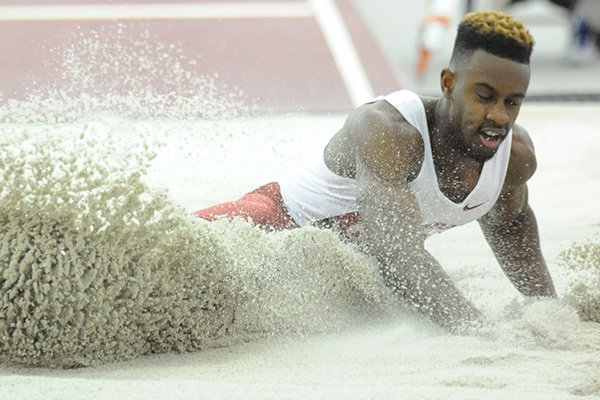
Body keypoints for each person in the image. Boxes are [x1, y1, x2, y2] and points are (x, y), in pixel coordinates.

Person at [196, 11, 557, 333]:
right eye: (484, 96)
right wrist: (479, 332)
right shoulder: (389, 130)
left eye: (513, 102)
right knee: (169, 254)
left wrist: (551, 313)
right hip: (276, 223)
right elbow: (397, 251)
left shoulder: (515, 159)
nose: (499, 117)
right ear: (448, 83)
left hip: (350, 276)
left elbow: (513, 235)